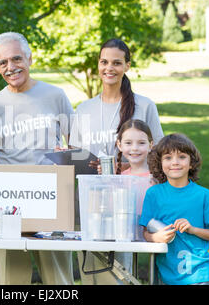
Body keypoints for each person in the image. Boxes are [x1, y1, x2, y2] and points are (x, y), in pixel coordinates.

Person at [0, 32, 75, 284]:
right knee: (12, 281)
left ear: (30, 59)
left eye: (16, 59)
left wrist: (64, 158)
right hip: (8, 203)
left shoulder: (55, 96)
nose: (11, 67)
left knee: (59, 280)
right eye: (3, 63)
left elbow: (76, 147)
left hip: (51, 199)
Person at [69, 38, 164, 285]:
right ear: (97, 65)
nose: (109, 68)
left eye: (116, 63)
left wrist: (125, 168)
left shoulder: (144, 105)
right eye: (104, 62)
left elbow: (159, 152)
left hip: (128, 200)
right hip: (91, 201)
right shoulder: (84, 109)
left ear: (127, 66)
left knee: (122, 273)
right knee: (91, 272)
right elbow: (77, 152)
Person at [140, 133, 209, 285]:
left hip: (199, 275)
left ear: (191, 163)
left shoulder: (204, 195)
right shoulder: (153, 194)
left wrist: (193, 229)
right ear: (160, 163)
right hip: (164, 273)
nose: (175, 162)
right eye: (168, 158)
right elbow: (145, 232)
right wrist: (155, 238)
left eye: (182, 157)